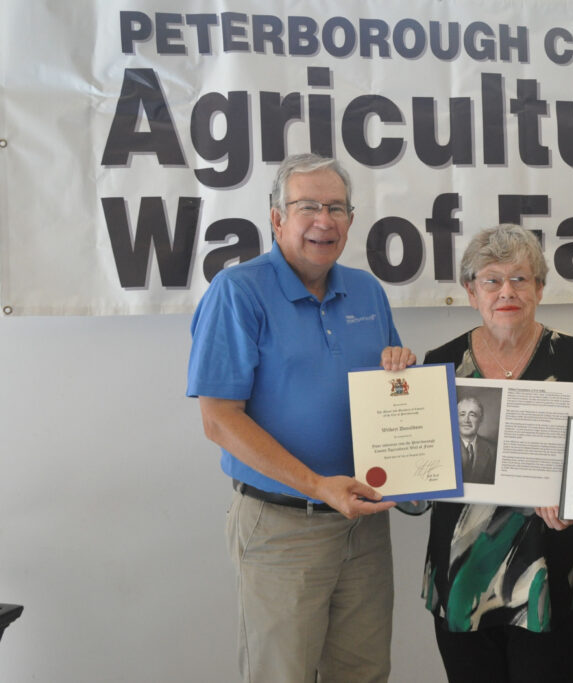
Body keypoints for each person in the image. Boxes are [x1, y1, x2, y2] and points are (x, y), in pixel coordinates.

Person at [186, 153, 415, 683]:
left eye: (337, 207)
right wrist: (317, 485)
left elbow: (393, 390)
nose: (324, 220)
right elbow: (218, 420)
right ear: (275, 218)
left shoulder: (367, 291)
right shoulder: (238, 292)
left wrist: (401, 370)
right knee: (280, 674)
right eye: (307, 205)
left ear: (351, 221)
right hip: (282, 526)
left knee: (363, 672)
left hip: (363, 526)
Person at [421, 224, 573, 683]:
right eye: (491, 280)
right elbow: (417, 480)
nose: (506, 291)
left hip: (549, 567)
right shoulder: (439, 363)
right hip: (462, 575)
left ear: (540, 288)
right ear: (471, 292)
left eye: (520, 279)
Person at [456, 395, 498, 485]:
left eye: (472, 415)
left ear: (481, 419)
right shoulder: (445, 445)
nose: (466, 420)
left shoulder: (493, 450)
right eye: (462, 414)